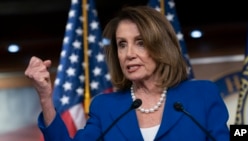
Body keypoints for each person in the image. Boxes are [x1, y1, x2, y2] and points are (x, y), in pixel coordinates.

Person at [24, 6, 230, 141]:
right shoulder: (106, 107)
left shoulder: (201, 95)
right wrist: (45, 97)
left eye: (140, 43)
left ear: (161, 47)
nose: (128, 54)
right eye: (122, 44)